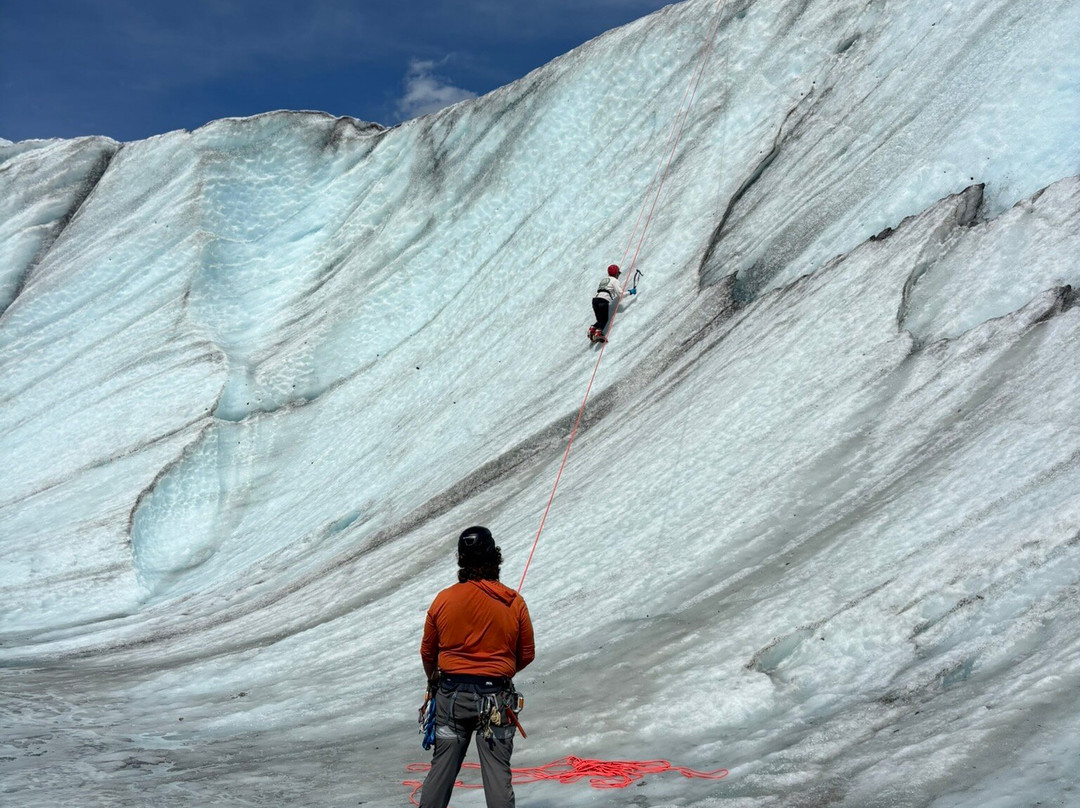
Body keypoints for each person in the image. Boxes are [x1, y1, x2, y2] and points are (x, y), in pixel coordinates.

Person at [418, 526, 535, 808]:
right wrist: (500, 670)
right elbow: (527, 653)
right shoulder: (513, 602)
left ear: (461, 561)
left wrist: (434, 679)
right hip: (495, 698)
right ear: (495, 558)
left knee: (441, 771)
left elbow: (427, 652)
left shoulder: (444, 600)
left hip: (451, 697)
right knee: (497, 775)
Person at [589, 263, 634, 343]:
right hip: (603, 300)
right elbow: (621, 294)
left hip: (595, 300)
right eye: (618, 273)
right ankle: (598, 334)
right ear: (616, 273)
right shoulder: (615, 281)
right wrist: (630, 292)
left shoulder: (604, 280)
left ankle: (592, 329)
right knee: (604, 320)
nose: (618, 275)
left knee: (599, 320)